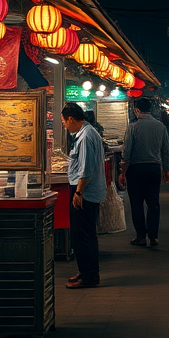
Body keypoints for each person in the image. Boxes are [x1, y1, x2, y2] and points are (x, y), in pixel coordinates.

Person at [61, 102, 106, 288]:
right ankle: (85, 272)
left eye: (64, 122)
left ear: (71, 119)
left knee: (83, 236)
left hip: (85, 191)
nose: (65, 125)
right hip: (86, 190)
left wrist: (79, 191)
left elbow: (86, 168)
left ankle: (89, 276)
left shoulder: (86, 136)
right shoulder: (87, 133)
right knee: (85, 234)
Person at [120, 98, 169, 247]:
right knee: (153, 202)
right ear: (150, 109)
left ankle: (141, 236)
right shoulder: (160, 126)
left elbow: (126, 152)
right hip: (154, 168)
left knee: (136, 203)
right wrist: (166, 169)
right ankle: (153, 235)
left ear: (136, 109)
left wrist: (123, 172)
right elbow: (166, 150)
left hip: (136, 169)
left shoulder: (132, 127)